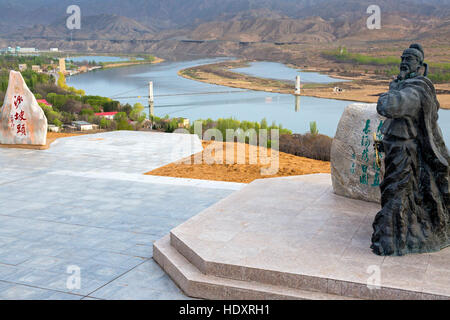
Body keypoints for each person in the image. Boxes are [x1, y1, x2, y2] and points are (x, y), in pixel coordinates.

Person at [371, 44, 450, 256]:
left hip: (405, 151)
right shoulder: (404, 85)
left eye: (410, 59)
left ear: (421, 66)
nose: (404, 62)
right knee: (396, 191)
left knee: (397, 192)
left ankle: (392, 238)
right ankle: (398, 233)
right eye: (403, 58)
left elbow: (388, 106)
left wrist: (387, 94)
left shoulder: (416, 89)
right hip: (394, 146)